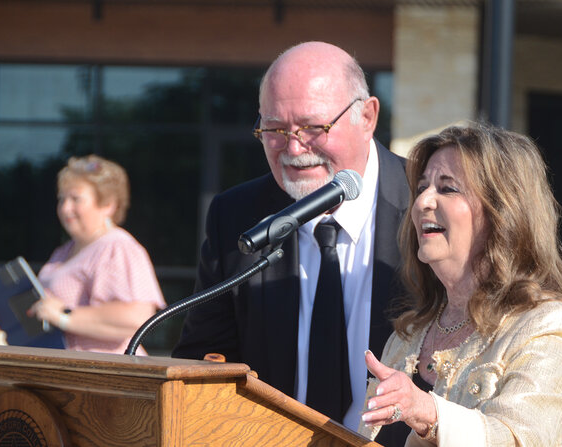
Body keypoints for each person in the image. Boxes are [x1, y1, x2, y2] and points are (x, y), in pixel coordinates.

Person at [171, 41, 410, 441]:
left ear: (367, 116)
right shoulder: (237, 215)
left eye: (314, 127)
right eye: (275, 130)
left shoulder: (427, 208)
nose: (294, 148)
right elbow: (203, 359)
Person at [358, 123, 562, 446]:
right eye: (422, 187)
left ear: (503, 212)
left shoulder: (547, 328)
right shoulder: (404, 340)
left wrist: (427, 412)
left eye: (447, 188)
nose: (423, 200)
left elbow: (516, 439)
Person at [0, 154, 166, 355]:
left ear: (108, 204)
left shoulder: (118, 247)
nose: (65, 208)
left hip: (106, 375)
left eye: (75, 198)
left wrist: (64, 316)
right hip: (66, 370)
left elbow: (136, 317)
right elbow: (49, 313)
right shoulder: (64, 251)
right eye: (62, 199)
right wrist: (13, 317)